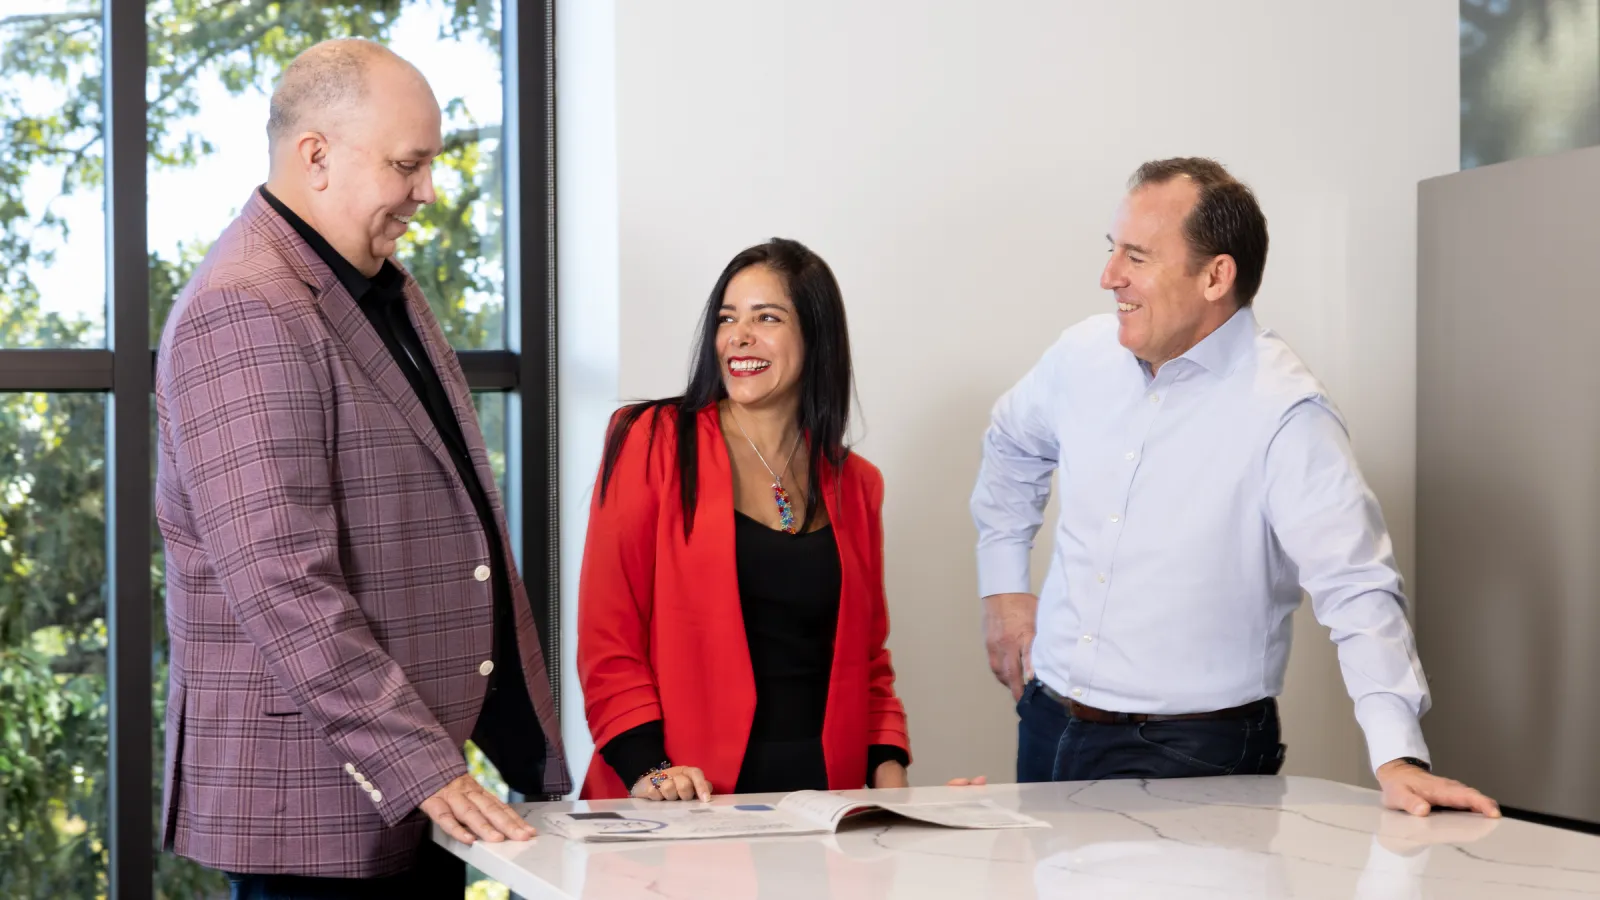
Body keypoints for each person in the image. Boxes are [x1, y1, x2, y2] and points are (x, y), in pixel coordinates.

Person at [155, 39, 568, 897]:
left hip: (412, 783)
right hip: (320, 799)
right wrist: (425, 769)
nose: (426, 192)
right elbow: (281, 580)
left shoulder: (378, 283)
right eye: (407, 165)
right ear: (317, 157)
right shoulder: (244, 307)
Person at [970, 157, 1499, 819]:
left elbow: (1357, 586)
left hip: (1194, 752)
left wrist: (1397, 754)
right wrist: (1004, 588)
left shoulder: (1285, 413)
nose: (1110, 277)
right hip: (1051, 725)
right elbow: (1011, 444)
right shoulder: (1081, 356)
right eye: (1113, 251)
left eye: (1136, 256)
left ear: (1216, 275)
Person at [578, 238, 964, 801]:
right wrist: (649, 769)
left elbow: (869, 663)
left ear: (816, 338)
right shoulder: (652, 440)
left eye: (767, 317)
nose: (738, 335)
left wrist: (896, 792)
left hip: (820, 802)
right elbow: (607, 636)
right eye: (728, 318)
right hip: (679, 793)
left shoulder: (856, 484)